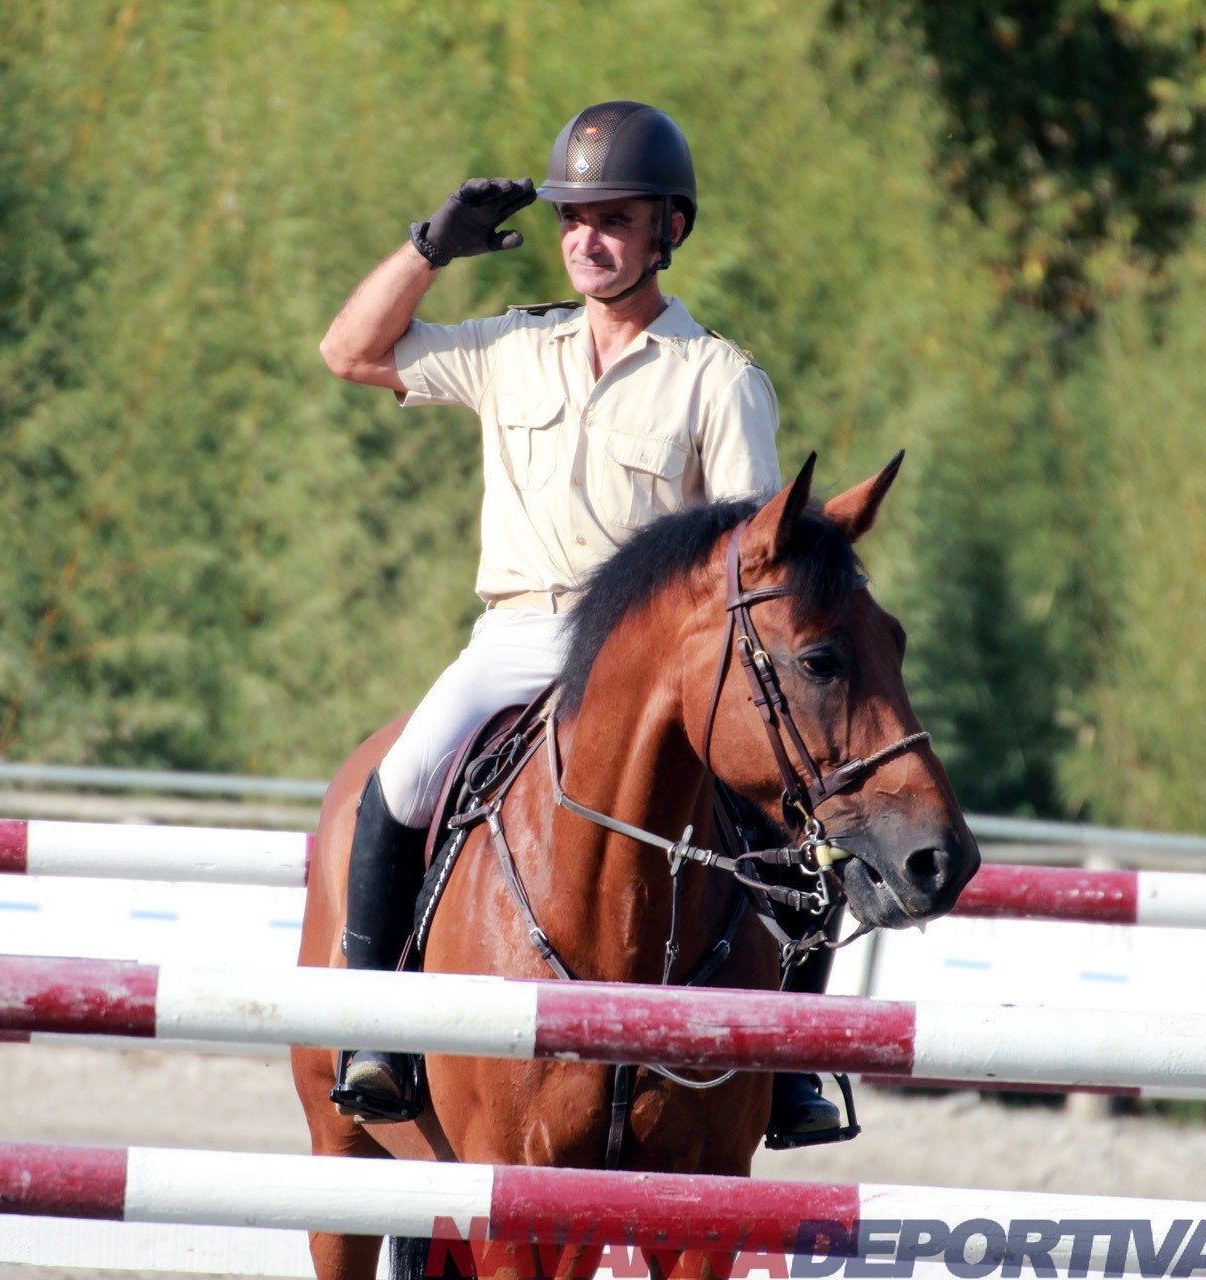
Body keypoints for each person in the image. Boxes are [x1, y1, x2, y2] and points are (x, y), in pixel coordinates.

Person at [318, 100, 843, 1144]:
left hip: (649, 661)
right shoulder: (514, 348)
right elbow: (348, 349)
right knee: (402, 781)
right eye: (573, 218)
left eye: (613, 218)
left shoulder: (720, 380)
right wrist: (428, 250)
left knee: (799, 829)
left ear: (668, 230)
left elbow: (753, 560)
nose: (586, 239)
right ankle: (370, 1030)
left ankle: (785, 1063)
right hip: (514, 637)